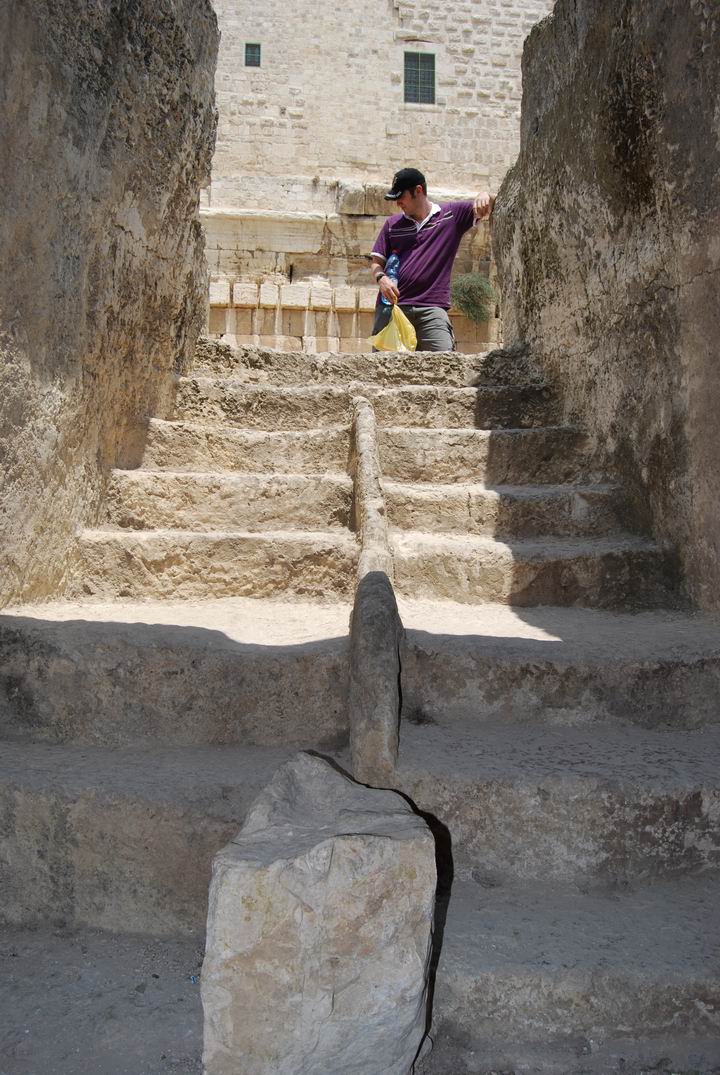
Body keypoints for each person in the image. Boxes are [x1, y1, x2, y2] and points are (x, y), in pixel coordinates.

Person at [369, 167, 493, 352]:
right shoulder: (392, 225)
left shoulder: (450, 215)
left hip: (431, 307)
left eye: (401, 197)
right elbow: (376, 263)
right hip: (393, 308)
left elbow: (487, 205)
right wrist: (382, 279)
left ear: (418, 191)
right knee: (380, 370)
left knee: (446, 363)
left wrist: (486, 195)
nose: (398, 204)